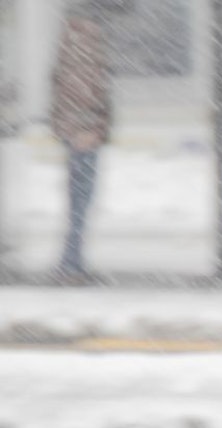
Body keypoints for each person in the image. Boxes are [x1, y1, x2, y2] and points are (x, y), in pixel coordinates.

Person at [48, 0, 117, 284]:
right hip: (83, 134)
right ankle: (71, 265)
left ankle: (72, 262)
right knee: (80, 200)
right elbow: (79, 89)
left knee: (80, 200)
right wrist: (84, 128)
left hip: (80, 131)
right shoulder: (83, 38)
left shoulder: (77, 37)